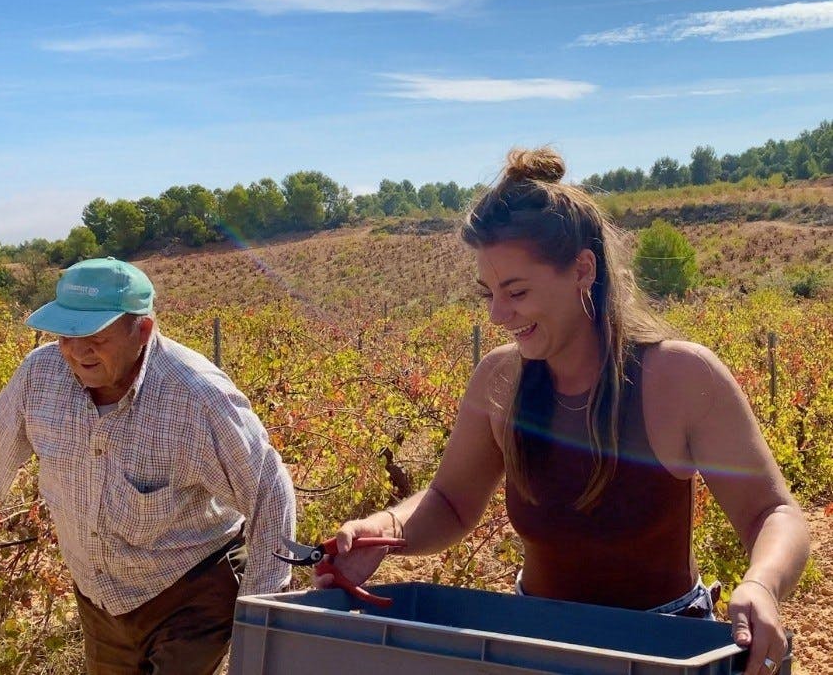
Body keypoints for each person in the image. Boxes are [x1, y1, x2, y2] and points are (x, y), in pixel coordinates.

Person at [320, 148, 809, 675]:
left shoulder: (680, 377)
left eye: (517, 291)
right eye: (489, 293)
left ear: (583, 269)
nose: (498, 314)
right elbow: (450, 503)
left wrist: (761, 584)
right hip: (535, 645)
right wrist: (382, 528)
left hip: (664, 648)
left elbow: (773, 513)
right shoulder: (499, 381)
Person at [0, 257, 296, 675]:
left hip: (191, 592)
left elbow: (269, 492)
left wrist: (261, 622)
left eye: (94, 336)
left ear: (141, 330)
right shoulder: (39, 377)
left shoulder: (196, 397)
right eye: (66, 334)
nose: (76, 351)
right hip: (100, 602)